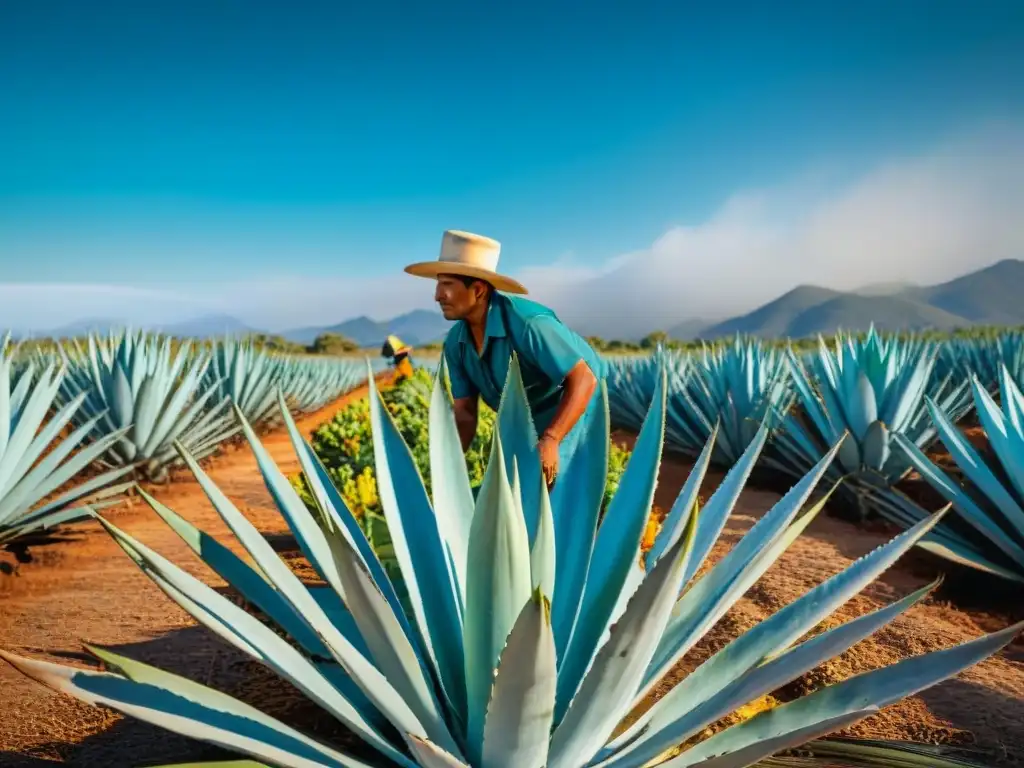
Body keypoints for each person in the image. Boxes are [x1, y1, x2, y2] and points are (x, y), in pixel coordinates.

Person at [404, 229, 606, 488]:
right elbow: (465, 412)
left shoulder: (529, 325)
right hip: (523, 415)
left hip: (575, 404)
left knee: (548, 487)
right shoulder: (456, 343)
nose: (437, 295)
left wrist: (553, 438)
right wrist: (449, 464)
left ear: (477, 290)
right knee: (508, 489)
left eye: (447, 285)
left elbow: (583, 379)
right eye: (438, 284)